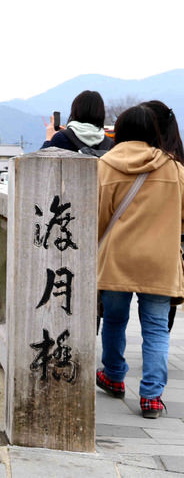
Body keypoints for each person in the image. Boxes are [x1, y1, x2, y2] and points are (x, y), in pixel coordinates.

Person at [95, 105, 184, 419]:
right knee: (157, 329)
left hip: (117, 258)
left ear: (119, 131)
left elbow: (98, 217)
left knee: (115, 320)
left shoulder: (105, 166)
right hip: (160, 261)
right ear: (153, 133)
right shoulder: (174, 168)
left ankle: (114, 375)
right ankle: (151, 396)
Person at [43, 90, 114, 153]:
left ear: (75, 110)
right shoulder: (110, 144)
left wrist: (49, 139)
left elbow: (40, 163)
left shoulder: (61, 138)